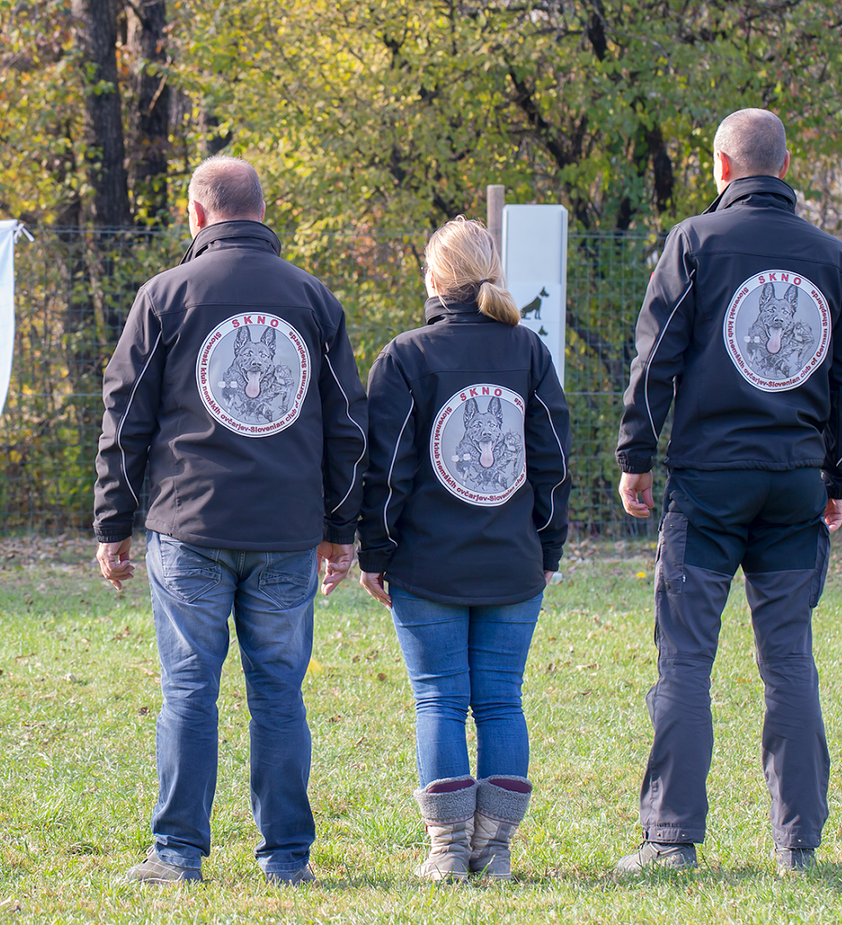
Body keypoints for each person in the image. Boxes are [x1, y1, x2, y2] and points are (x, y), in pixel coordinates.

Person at [92, 155, 368, 886]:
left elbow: (127, 421)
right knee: (279, 690)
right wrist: (340, 530)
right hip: (286, 533)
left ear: (197, 214)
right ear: (261, 210)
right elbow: (347, 426)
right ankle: (287, 858)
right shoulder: (314, 299)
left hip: (189, 527)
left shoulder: (165, 295)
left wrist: (112, 525)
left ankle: (177, 853)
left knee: (189, 687)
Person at [614, 108, 842, 876]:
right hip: (794, 484)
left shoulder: (694, 241)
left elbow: (655, 354)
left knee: (687, 660)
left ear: (722, 167)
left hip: (708, 485)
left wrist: (636, 453)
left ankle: (670, 840)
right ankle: (798, 845)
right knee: (789, 657)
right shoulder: (834, 257)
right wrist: (838, 477)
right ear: (784, 166)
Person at [355, 216, 571, 881]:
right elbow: (553, 461)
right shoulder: (529, 351)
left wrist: (375, 550)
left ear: (434, 277)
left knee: (439, 700)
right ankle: (495, 849)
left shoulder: (405, 355)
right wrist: (548, 546)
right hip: (514, 562)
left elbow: (386, 471)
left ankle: (448, 852)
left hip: (427, 567)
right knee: (502, 698)